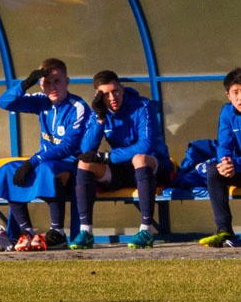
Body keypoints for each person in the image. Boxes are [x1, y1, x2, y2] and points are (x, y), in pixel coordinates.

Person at [0, 59, 89, 251]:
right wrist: (26, 84)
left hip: (69, 164)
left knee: (46, 169)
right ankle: (26, 232)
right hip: (44, 161)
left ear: (67, 81)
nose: (53, 88)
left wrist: (33, 161)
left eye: (57, 81)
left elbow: (68, 147)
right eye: (47, 83)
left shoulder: (78, 107)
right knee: (8, 171)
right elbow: (4, 102)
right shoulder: (41, 101)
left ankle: (57, 233)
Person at [71, 70, 172, 250]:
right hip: (124, 169)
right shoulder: (99, 112)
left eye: (115, 91)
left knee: (139, 158)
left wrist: (108, 156)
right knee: (84, 164)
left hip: (156, 167)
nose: (112, 97)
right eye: (106, 94)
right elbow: (86, 150)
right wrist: (100, 119)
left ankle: (146, 231)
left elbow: (145, 145)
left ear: (122, 89)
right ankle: (86, 232)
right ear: (98, 95)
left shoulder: (143, 106)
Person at [200, 68, 241, 248]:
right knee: (214, 170)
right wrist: (226, 161)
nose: (240, 97)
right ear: (228, 95)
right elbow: (224, 143)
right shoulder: (227, 112)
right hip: (238, 167)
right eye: (236, 93)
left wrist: (236, 165)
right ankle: (224, 231)